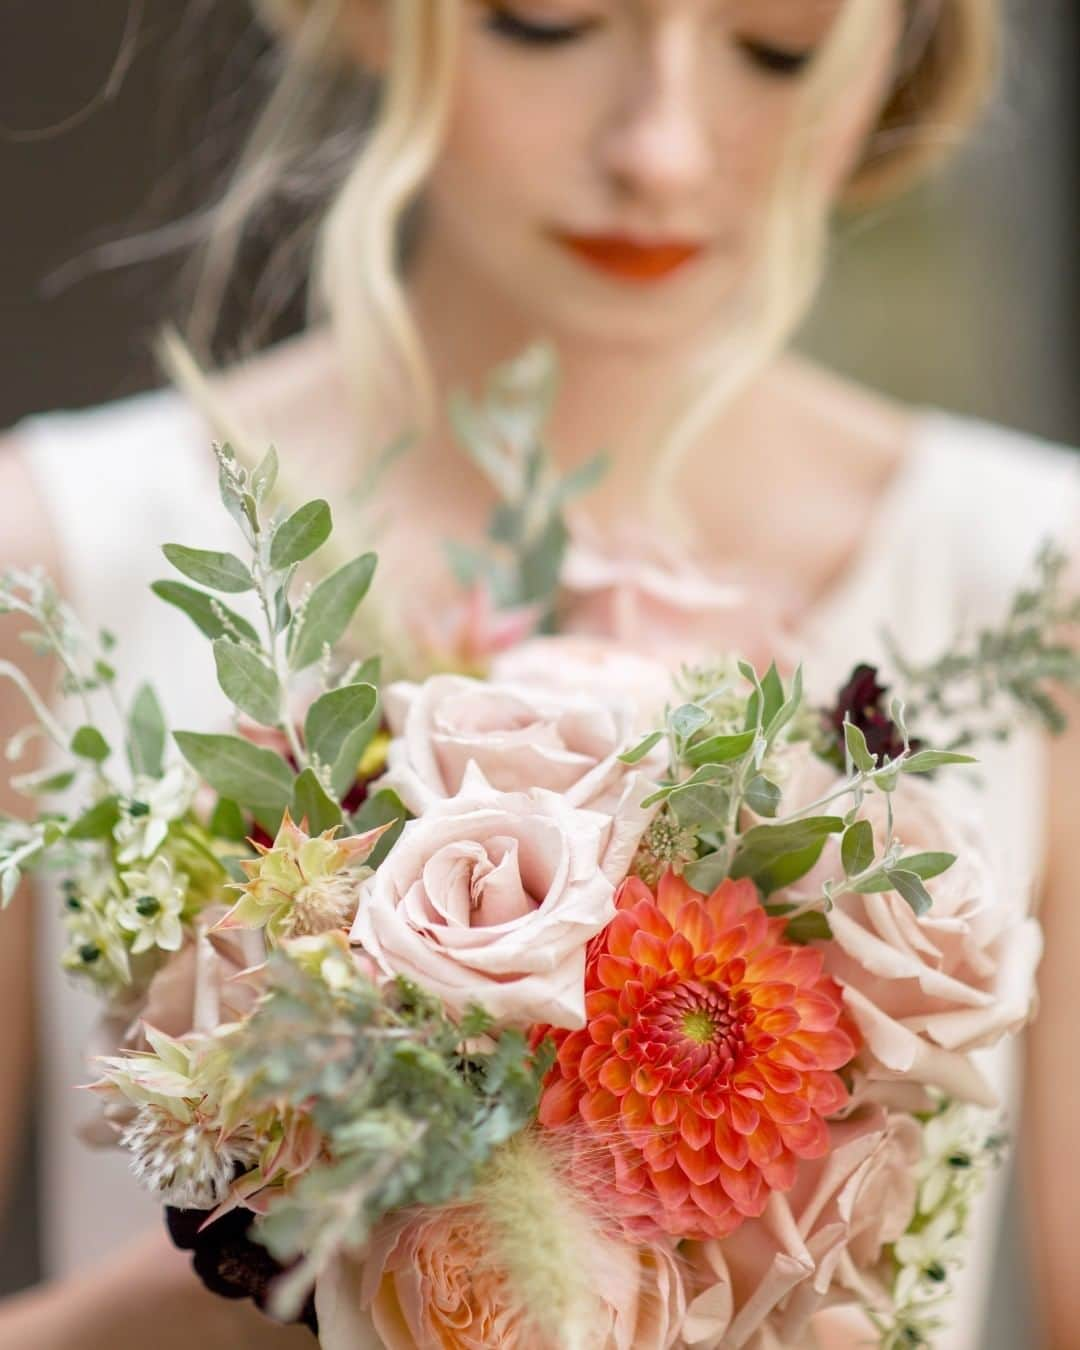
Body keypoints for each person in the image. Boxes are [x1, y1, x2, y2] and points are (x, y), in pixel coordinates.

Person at [1, 1, 1077, 1346]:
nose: (662, 151)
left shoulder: (1040, 583)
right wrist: (261, 1263)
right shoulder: (54, 562)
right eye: (545, 22)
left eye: (778, 46)